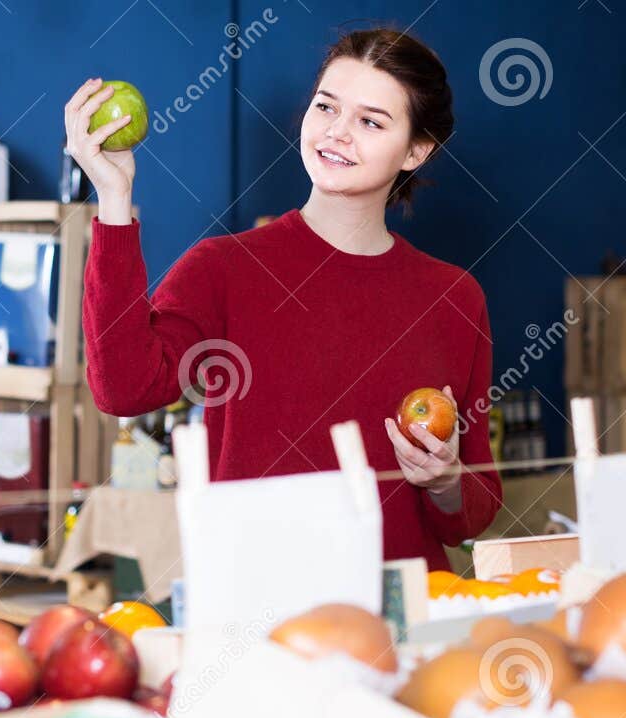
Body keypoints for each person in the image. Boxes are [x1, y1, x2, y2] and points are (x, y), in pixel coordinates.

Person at [67, 28, 501, 570]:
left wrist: (445, 480)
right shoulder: (223, 268)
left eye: (370, 121)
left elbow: (473, 513)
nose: (337, 132)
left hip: (401, 621)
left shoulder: (455, 298)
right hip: (257, 616)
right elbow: (122, 388)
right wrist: (113, 198)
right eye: (326, 107)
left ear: (416, 150)